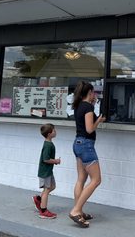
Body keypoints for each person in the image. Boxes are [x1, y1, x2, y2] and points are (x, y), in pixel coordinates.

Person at [69, 81, 105, 228]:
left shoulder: (78, 106)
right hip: (86, 145)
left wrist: (94, 105)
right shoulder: (88, 107)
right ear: (89, 92)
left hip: (77, 144)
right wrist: (99, 121)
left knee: (81, 179)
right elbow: (90, 129)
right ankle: (76, 211)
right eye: (93, 92)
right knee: (96, 180)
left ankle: (79, 211)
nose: (94, 94)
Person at [33, 123, 61, 219]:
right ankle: (43, 211)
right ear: (49, 134)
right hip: (45, 172)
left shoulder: (49, 143)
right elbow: (45, 159)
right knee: (47, 189)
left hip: (48, 171)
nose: (55, 131)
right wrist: (56, 161)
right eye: (54, 130)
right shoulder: (48, 145)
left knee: (52, 186)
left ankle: (38, 200)